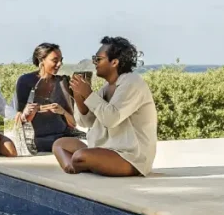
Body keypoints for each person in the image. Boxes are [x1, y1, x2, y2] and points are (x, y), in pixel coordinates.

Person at [52, 37, 158, 177]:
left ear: (114, 62)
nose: (94, 63)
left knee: (80, 155)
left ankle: (79, 163)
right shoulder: (106, 88)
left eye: (98, 59)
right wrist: (78, 96)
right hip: (104, 150)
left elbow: (111, 119)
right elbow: (86, 122)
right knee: (60, 144)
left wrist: (88, 93)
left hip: (130, 157)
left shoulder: (132, 83)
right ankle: (73, 167)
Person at [14, 43, 79, 153]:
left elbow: (73, 122)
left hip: (63, 138)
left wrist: (62, 111)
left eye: (61, 60)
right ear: (41, 60)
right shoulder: (25, 81)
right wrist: (30, 112)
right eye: (55, 60)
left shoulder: (63, 82)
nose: (59, 64)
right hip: (37, 141)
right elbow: (19, 119)